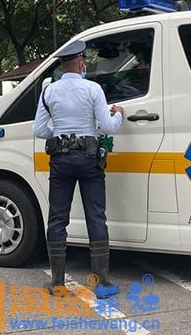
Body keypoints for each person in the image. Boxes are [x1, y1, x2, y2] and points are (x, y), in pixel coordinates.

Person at [33, 40, 125, 298]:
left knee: (57, 218)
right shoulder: (93, 88)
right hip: (89, 159)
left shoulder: (49, 92)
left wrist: (61, 136)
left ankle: (58, 284)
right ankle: (103, 284)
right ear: (81, 62)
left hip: (61, 160)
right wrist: (119, 113)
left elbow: (39, 130)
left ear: (62, 66)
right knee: (96, 216)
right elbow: (107, 127)